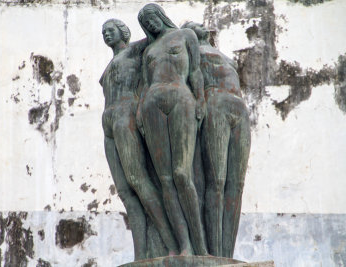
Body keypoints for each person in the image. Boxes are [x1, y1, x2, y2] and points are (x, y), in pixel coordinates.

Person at [100, 19, 178, 259]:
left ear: (123, 32)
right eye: (103, 32)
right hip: (108, 122)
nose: (106, 34)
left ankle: (171, 244)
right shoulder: (109, 64)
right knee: (124, 191)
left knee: (139, 180)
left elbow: (166, 34)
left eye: (110, 30)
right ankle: (141, 254)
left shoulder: (134, 49)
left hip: (126, 113)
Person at [136, 4, 208, 256]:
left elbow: (196, 72)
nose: (150, 23)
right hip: (152, 104)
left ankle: (200, 245)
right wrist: (139, 113)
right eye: (144, 21)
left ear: (161, 16)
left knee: (181, 173)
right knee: (166, 179)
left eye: (151, 17)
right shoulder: (149, 50)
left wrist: (200, 100)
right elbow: (145, 84)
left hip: (181, 97)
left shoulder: (185, 36)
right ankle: (184, 244)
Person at [182, 21, 251, 258]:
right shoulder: (190, 52)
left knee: (237, 184)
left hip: (239, 109)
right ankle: (214, 252)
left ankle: (227, 254)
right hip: (214, 105)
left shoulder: (223, 55)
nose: (199, 25)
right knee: (217, 181)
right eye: (192, 24)